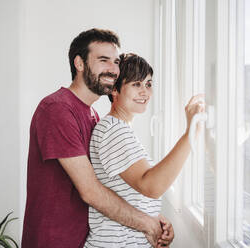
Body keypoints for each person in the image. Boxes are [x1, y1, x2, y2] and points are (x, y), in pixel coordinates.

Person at [22, 29, 174, 248]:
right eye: (103, 60)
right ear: (79, 63)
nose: (113, 69)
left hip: (83, 239)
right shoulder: (56, 109)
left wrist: (154, 218)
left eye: (115, 62)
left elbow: (111, 185)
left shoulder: (93, 116)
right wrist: (147, 224)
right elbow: (91, 191)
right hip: (54, 240)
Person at [85, 53, 204, 247]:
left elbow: (128, 193)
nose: (145, 92)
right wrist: (191, 132)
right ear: (115, 89)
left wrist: (154, 219)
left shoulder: (120, 129)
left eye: (148, 84)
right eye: (136, 84)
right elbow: (151, 186)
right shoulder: (113, 131)